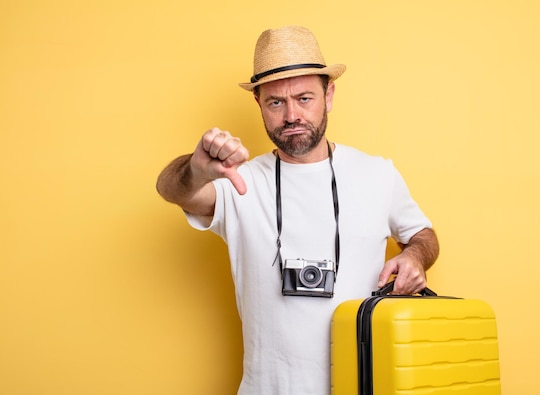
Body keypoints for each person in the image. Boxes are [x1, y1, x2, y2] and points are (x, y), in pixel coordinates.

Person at [156, 25, 439, 395]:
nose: (291, 115)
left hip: (362, 385)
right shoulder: (240, 180)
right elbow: (172, 189)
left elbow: (423, 235)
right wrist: (195, 169)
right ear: (258, 104)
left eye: (304, 98)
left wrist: (415, 257)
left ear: (329, 95)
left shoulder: (377, 173)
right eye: (276, 102)